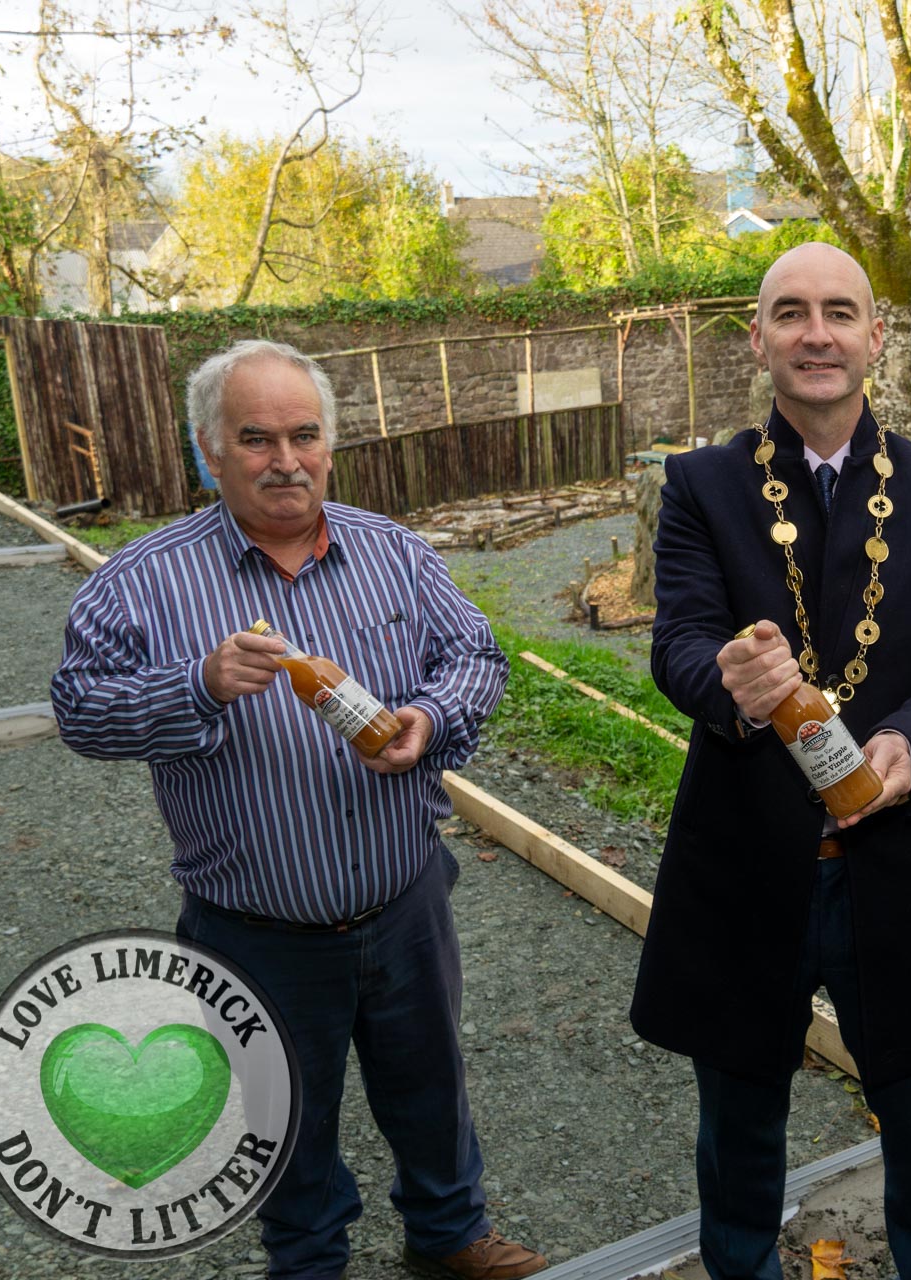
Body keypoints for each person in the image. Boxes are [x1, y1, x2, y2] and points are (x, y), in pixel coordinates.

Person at [51, 339, 545, 1280]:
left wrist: (429, 718)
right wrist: (195, 684)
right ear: (211, 450)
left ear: (330, 443)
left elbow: (478, 657)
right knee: (283, 1116)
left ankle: (448, 1236)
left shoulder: (393, 553)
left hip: (404, 901)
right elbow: (79, 709)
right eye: (257, 438)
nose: (286, 460)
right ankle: (309, 1259)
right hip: (254, 928)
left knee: (429, 1087)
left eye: (304, 435)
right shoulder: (143, 579)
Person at [630, 243, 911, 1280]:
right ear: (756, 338)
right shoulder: (703, 484)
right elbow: (677, 643)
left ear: (875, 337)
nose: (817, 333)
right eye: (790, 313)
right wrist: (727, 684)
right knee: (740, 1127)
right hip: (750, 853)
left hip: (897, 853)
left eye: (840, 312)